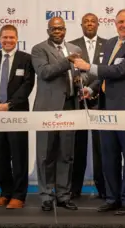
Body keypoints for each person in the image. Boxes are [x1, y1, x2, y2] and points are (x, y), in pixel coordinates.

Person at [74, 8, 125, 216]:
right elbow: (106, 74)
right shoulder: (109, 43)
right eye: (120, 22)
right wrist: (91, 89)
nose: (124, 25)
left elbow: (120, 70)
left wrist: (88, 66)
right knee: (109, 156)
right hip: (106, 108)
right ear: (115, 23)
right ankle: (113, 198)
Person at [32, 16, 83, 212]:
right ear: (48, 31)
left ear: (65, 30)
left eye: (60, 28)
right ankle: (46, 195)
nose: (57, 31)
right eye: (53, 29)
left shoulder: (74, 49)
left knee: (66, 155)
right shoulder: (39, 49)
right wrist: (66, 61)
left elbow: (79, 73)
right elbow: (44, 72)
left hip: (70, 106)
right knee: (45, 155)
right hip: (47, 109)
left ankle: (63, 195)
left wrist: (82, 80)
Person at [0, 25, 35, 209]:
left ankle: (19, 196)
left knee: (18, 155)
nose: (8, 41)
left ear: (17, 38)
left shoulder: (26, 59)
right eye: (5, 37)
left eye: (11, 37)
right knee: (0, 155)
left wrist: (9, 105)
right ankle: (5, 193)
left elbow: (27, 86)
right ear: (0, 38)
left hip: (17, 114)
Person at [69, 13, 107, 200]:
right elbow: (70, 72)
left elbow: (106, 72)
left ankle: (104, 188)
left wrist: (92, 88)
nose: (90, 24)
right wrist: (80, 86)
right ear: (81, 24)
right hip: (78, 100)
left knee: (102, 147)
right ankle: (74, 188)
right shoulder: (72, 46)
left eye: (93, 21)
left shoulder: (108, 44)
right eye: (86, 22)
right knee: (78, 146)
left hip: (102, 100)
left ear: (98, 24)